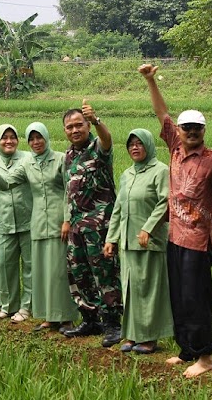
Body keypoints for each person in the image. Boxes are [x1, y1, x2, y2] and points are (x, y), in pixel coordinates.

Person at [139, 63, 212, 378]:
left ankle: (205, 357)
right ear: (180, 132)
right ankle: (187, 351)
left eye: (197, 128)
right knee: (179, 296)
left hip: (198, 242)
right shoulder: (174, 149)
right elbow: (162, 113)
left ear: (204, 131)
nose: (192, 132)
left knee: (197, 298)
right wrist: (150, 81)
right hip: (175, 237)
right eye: (187, 128)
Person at [0, 122, 79, 331]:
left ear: (46, 137)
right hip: (37, 223)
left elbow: (69, 190)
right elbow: (6, 182)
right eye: (32, 139)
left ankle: (66, 317)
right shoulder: (27, 164)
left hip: (58, 222)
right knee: (41, 271)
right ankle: (48, 316)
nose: (36, 142)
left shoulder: (60, 159)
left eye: (39, 137)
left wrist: (67, 219)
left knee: (59, 272)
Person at [103, 129, 173, 354]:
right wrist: (111, 238)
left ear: (149, 146)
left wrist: (148, 229)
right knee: (131, 288)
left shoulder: (160, 171)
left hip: (149, 242)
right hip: (128, 241)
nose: (135, 147)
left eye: (139, 143)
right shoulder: (127, 174)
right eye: (131, 144)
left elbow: (165, 202)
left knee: (149, 289)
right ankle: (133, 335)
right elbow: (118, 208)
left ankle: (149, 338)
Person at [61, 101, 123, 348]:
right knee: (80, 273)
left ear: (87, 126)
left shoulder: (98, 148)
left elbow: (107, 139)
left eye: (79, 125)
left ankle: (112, 324)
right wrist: (67, 219)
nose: (75, 130)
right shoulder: (68, 155)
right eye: (69, 127)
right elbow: (69, 191)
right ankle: (90, 319)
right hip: (77, 226)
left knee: (104, 274)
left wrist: (97, 120)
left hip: (99, 226)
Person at [0, 124, 33, 323]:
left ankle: (27, 307)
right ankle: (8, 306)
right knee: (5, 266)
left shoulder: (28, 158)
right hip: (4, 222)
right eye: (4, 138)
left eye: (13, 137)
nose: (9, 141)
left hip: (28, 220)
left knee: (30, 266)